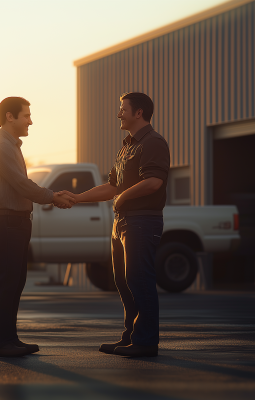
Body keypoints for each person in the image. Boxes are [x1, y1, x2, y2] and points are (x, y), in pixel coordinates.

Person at [70, 92, 170, 357]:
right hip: (123, 222)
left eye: (122, 109)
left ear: (139, 113)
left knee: (140, 280)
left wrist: (123, 197)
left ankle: (146, 342)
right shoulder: (126, 146)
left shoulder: (153, 142)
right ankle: (131, 337)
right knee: (124, 281)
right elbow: (112, 186)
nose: (118, 113)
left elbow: (154, 182)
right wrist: (77, 198)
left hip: (142, 221)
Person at [0, 96, 74, 357]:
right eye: (26, 116)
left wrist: (50, 195)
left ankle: (9, 338)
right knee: (7, 282)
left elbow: (22, 184)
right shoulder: (0, 146)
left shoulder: (10, 145)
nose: (30, 121)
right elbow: (22, 185)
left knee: (15, 282)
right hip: (6, 222)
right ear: (10, 117)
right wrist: (52, 197)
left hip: (16, 222)